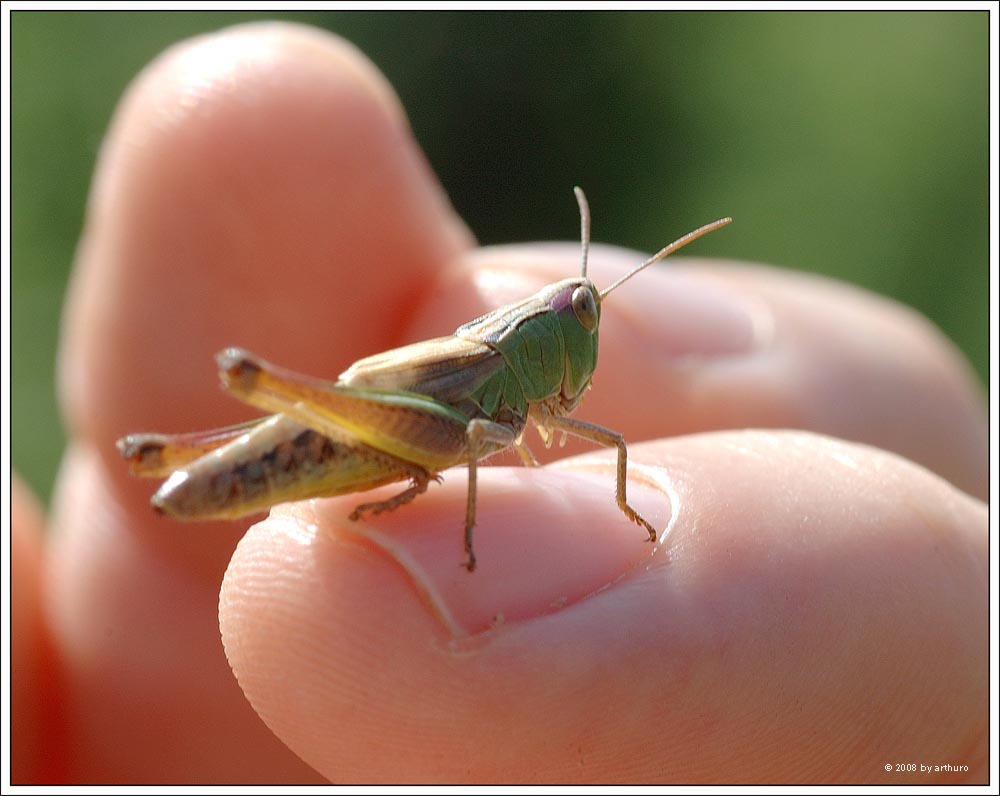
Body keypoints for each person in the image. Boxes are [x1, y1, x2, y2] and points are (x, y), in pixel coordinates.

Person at [11, 22, 988, 784]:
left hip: (378, 470)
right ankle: (193, 445)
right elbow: (471, 434)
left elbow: (518, 438)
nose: (589, 329)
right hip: (360, 425)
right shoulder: (498, 361)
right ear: (550, 322)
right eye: (583, 310)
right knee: (448, 425)